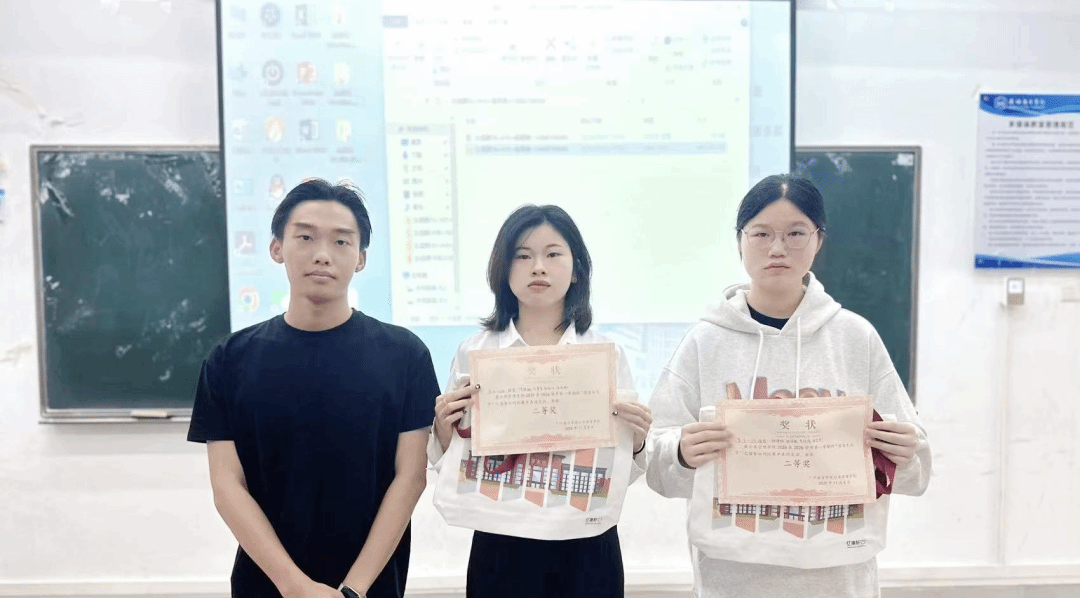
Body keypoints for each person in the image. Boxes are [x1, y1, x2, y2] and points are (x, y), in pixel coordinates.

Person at [645, 175, 932, 598]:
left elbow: (916, 469)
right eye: (761, 234)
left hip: (838, 576)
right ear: (739, 241)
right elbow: (653, 461)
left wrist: (903, 451)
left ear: (819, 240)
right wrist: (681, 453)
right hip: (732, 575)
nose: (777, 248)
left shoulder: (856, 337)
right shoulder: (705, 341)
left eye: (795, 233)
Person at [187, 179, 439, 598]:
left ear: (361, 258)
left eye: (341, 241)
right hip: (266, 586)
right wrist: (295, 586)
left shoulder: (405, 355)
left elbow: (410, 477)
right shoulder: (229, 360)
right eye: (305, 237)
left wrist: (353, 589)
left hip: (370, 587)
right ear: (277, 248)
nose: (323, 254)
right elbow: (227, 485)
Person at [428, 204, 652, 598]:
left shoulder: (605, 355)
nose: (538, 267)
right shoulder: (475, 353)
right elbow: (450, 462)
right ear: (504, 269)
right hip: (501, 538)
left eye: (553, 254)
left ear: (576, 269)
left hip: (586, 540)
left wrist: (635, 441)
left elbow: (624, 473)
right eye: (523, 256)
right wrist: (444, 430)